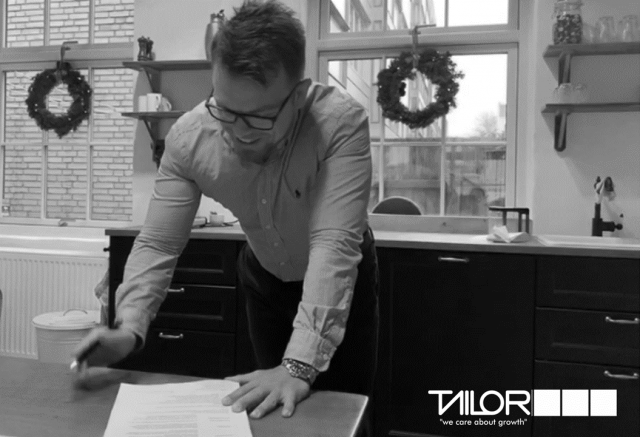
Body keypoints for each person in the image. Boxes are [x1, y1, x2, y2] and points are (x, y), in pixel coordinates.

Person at [75, 0, 379, 427]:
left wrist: (298, 364)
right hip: (266, 280)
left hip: (343, 280)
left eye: (258, 117)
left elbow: (333, 244)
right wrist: (129, 326)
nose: (237, 131)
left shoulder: (340, 124)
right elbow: (159, 242)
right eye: (225, 109)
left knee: (344, 414)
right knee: (274, 412)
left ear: (298, 96)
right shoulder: (189, 138)